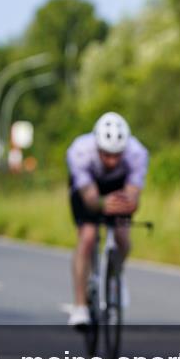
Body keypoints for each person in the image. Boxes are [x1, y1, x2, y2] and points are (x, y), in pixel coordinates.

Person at [65, 112, 148, 327]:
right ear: (97, 146)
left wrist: (130, 203)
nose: (112, 160)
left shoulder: (137, 152)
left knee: (122, 236)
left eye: (117, 155)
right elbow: (90, 198)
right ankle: (80, 305)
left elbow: (134, 195)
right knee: (88, 236)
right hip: (87, 189)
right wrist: (101, 205)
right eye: (106, 154)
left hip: (119, 187)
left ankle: (114, 277)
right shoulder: (80, 150)